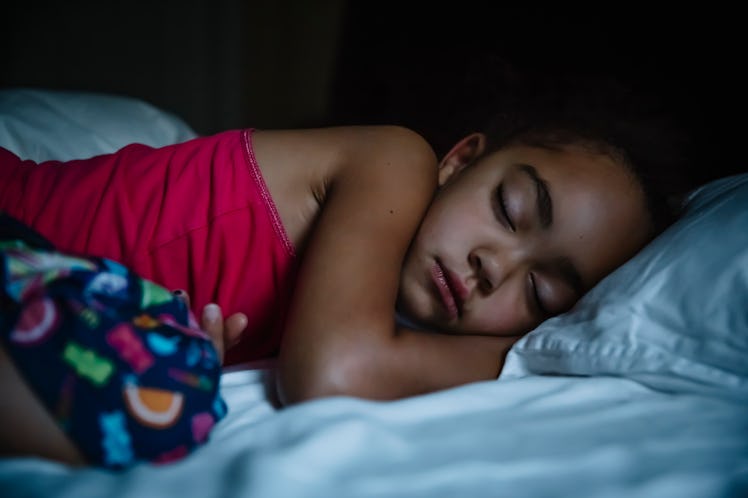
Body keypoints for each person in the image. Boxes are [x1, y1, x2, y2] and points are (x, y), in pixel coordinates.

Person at [0, 76, 689, 467]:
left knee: (157, 408)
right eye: (508, 209)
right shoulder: (396, 158)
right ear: (460, 160)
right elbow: (332, 375)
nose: (493, 268)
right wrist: (524, 351)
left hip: (56, 288)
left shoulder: (376, 296)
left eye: (538, 293)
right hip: (20, 233)